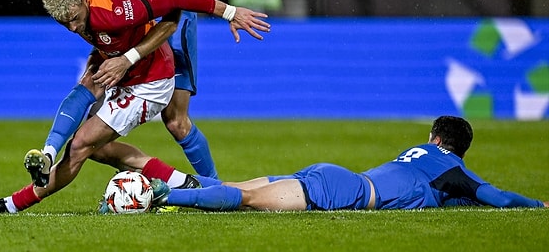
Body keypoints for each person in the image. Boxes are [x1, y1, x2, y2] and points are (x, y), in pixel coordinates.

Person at [0, 0, 270, 214]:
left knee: (82, 143)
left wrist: (230, 12)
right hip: (123, 70)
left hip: (151, 82)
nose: (71, 28)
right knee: (96, 139)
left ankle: (12, 205)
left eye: (74, 18)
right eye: (63, 22)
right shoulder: (73, 4)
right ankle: (50, 154)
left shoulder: (117, 13)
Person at [55, 0, 219, 181]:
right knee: (91, 129)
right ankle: (169, 180)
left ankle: (216, 186)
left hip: (171, 20)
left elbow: (171, 18)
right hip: (126, 21)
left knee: (176, 121)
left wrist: (128, 59)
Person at [147, 115, 548, 212]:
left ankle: (162, 183)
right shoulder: (449, 168)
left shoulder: (429, 165)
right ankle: (161, 196)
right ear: (454, 148)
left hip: (335, 178)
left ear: (435, 138)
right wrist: (535, 205)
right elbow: (489, 193)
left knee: (238, 184)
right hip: (342, 192)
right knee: (248, 198)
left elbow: (459, 199)